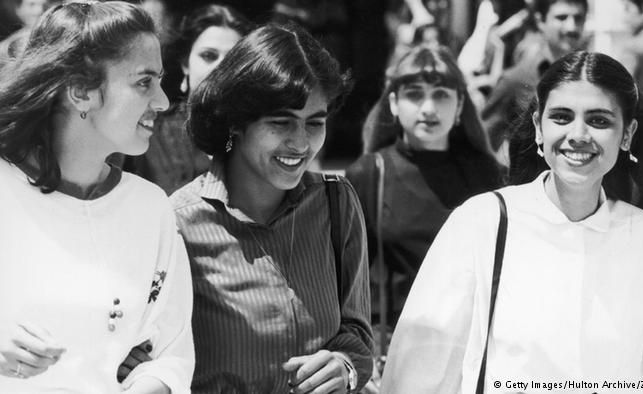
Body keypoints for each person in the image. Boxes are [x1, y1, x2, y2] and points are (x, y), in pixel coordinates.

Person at [381, 51, 643, 393]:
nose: (578, 134)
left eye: (599, 121)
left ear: (627, 134)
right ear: (538, 128)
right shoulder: (481, 222)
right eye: (561, 117)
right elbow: (420, 368)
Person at [0, 2, 194, 393]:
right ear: (80, 91)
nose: (162, 101)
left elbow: (171, 355)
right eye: (144, 82)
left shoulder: (151, 207)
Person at [170, 23, 373, 393]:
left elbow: (357, 333)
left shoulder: (336, 202)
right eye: (281, 122)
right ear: (236, 122)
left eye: (315, 123)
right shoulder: (177, 225)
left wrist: (345, 367)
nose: (300, 142)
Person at [346, 45, 503, 334]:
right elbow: (345, 280)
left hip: (471, 339)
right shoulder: (369, 173)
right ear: (393, 103)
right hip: (397, 341)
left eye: (441, 95)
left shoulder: (488, 175)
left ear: (459, 106)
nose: (428, 108)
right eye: (415, 94)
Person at [119, 4, 252, 195]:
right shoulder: (145, 129)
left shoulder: (254, 137)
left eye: (233, 61)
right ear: (185, 64)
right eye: (208, 56)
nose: (220, 68)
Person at [481, 0, 589, 163]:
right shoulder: (516, 79)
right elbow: (483, 140)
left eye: (578, 18)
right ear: (540, 21)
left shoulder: (592, 78)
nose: (571, 27)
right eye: (561, 18)